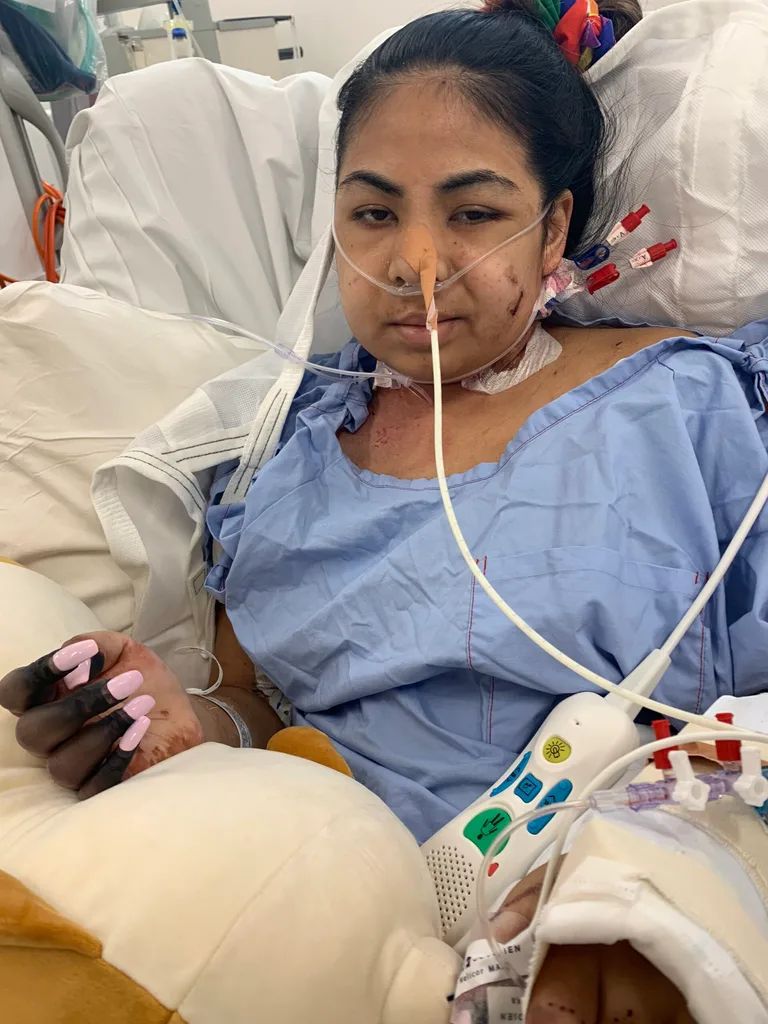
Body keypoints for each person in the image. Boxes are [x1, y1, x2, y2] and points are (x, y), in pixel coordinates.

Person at [2, 1, 766, 1019]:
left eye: (473, 213)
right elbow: (258, 709)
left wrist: (664, 855)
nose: (414, 263)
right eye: (373, 213)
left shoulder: (695, 408)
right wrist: (180, 724)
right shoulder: (284, 456)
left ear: (554, 228)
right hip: (314, 910)